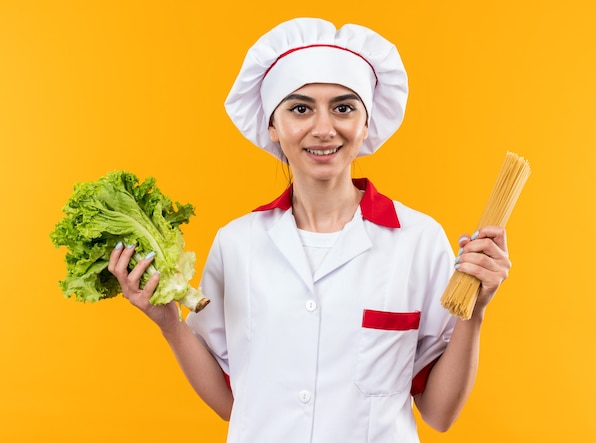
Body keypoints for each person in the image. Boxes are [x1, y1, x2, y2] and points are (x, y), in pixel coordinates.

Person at [108, 17, 511, 443]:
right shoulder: (237, 243)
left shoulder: (418, 240)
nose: (324, 128)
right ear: (272, 126)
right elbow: (233, 403)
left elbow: (440, 413)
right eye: (300, 108)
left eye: (344, 107)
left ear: (367, 122)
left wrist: (476, 311)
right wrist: (170, 323)